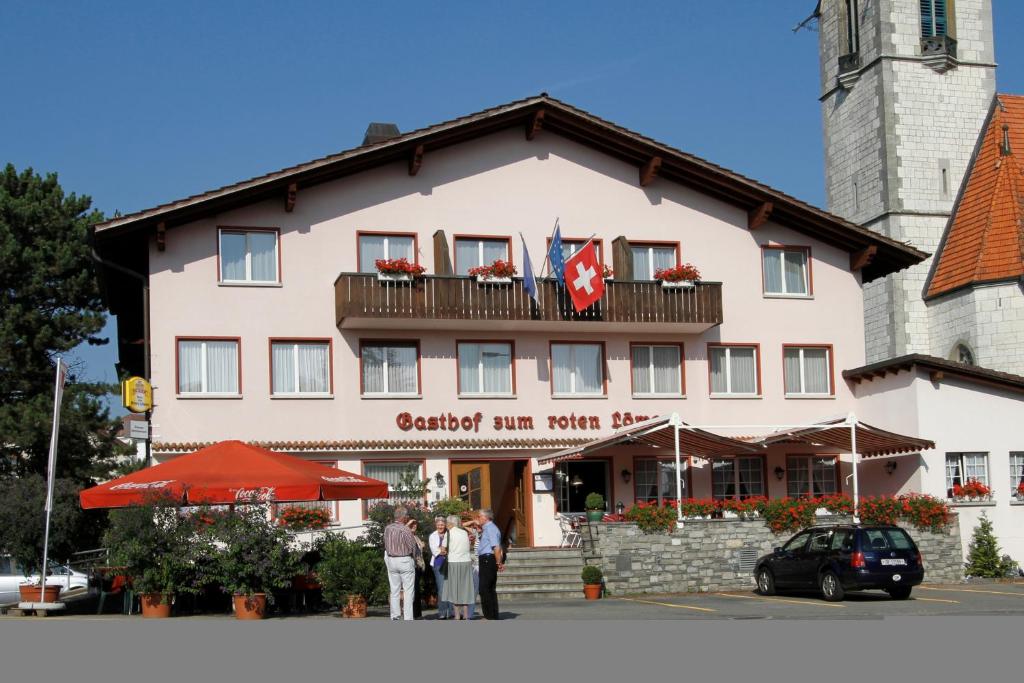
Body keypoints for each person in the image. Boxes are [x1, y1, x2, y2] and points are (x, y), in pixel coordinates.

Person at [383, 506, 419, 621]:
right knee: (408, 591)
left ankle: (395, 615)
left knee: (394, 590)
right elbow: (412, 547)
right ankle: (408, 617)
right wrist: (415, 559)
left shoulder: (387, 528)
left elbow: (385, 543)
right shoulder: (405, 529)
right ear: (404, 517)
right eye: (407, 516)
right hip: (404, 560)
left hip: (391, 559)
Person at [440, 514, 475, 620]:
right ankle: (466, 614)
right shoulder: (464, 532)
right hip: (466, 561)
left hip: (453, 562)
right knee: (465, 587)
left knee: (454, 588)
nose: (446, 525)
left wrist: (444, 551)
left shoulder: (449, 533)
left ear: (450, 523)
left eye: (446, 523)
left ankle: (457, 615)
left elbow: (442, 550)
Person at [475, 508, 504, 620]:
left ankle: (490, 615)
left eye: (479, 516)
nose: (478, 518)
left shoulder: (491, 528)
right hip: (486, 559)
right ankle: (492, 614)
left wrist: (498, 562)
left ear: (486, 518)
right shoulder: (486, 528)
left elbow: (496, 547)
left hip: (488, 559)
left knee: (485, 588)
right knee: (488, 588)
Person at [428, 516, 453, 620]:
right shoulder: (432, 536)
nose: (440, 526)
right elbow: (435, 551)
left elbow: (452, 548)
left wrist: (444, 550)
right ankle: (442, 612)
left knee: (450, 588)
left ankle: (450, 612)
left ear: (445, 525)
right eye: (438, 525)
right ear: (436, 525)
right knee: (442, 589)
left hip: (450, 563)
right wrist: (443, 550)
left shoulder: (449, 534)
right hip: (438, 564)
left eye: (442, 524)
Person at [406, 517, 426, 620]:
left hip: (418, 566)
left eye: (415, 524)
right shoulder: (407, 535)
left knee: (416, 590)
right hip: (411, 566)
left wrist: (422, 545)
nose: (414, 526)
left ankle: (417, 614)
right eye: (411, 524)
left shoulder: (415, 536)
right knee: (413, 591)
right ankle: (414, 614)